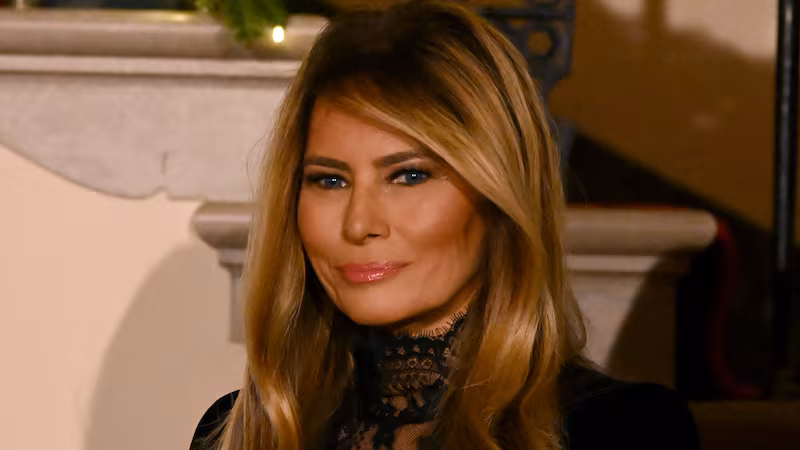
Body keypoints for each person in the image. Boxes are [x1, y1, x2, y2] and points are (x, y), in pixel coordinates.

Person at [191, 1, 700, 448]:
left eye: (408, 176)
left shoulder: (619, 430)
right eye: (329, 181)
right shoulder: (238, 433)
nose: (360, 223)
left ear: (498, 194)